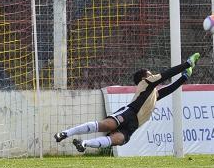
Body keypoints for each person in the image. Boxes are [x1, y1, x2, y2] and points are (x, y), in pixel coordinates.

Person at [55, 53, 200, 153]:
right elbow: (167, 74)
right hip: (129, 113)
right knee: (107, 125)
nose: (152, 74)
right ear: (144, 77)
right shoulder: (146, 82)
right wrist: (186, 64)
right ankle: (65, 133)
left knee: (117, 139)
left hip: (134, 125)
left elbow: (169, 89)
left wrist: (185, 77)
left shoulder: (154, 93)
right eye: (150, 73)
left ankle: (84, 144)